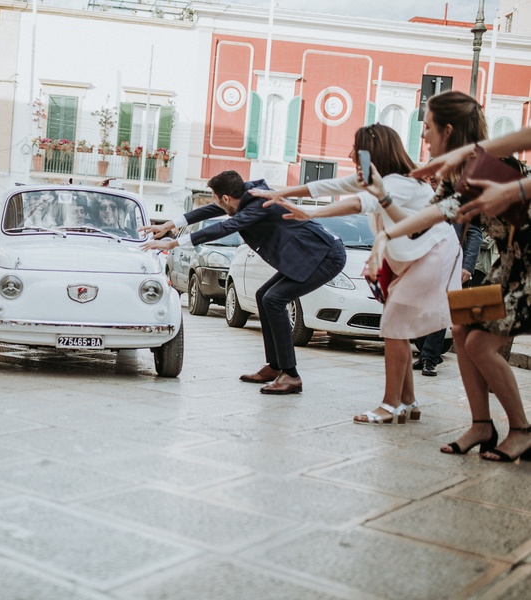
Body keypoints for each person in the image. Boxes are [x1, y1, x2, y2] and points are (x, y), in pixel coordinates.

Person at [252, 124, 459, 422]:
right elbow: (330, 187)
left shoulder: (399, 183)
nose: (350, 155)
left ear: (372, 154)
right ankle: (408, 402)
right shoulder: (382, 179)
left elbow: (359, 203)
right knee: (396, 326)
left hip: (431, 255)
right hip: (415, 257)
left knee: (393, 326)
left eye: (356, 150)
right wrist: (280, 192)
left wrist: (311, 213)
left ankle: (390, 405)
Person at [368, 91, 531, 461]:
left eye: (426, 127)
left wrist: (388, 234)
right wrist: (384, 216)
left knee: (480, 344)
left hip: (527, 270)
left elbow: (443, 213)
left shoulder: (492, 164)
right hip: (507, 267)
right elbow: (422, 223)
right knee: (460, 328)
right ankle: (481, 425)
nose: (423, 135)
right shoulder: (453, 175)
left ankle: (521, 429)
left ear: (447, 129)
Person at [141, 170, 346, 394]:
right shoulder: (246, 194)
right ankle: (276, 366)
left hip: (324, 256)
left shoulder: (258, 204)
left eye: (216, 198)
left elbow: (225, 227)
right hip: (308, 255)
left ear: (226, 198)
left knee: (274, 299)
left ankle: (291, 375)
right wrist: (170, 224)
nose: (216, 204)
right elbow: (210, 210)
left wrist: (174, 244)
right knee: (264, 297)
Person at [412, 222, 482, 377]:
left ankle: (430, 359)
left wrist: (468, 266)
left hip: (449, 264)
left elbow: (474, 233)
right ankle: (426, 353)